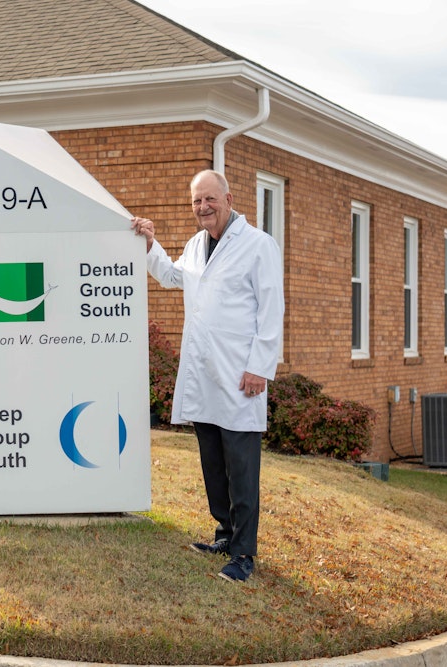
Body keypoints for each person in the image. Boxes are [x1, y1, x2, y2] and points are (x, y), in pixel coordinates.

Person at [132, 169, 284, 582]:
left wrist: (259, 367)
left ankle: (243, 554)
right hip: (203, 372)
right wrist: (149, 245)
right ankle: (224, 532)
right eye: (197, 201)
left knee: (241, 466)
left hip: (239, 375)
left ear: (229, 199)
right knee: (213, 462)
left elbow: (272, 310)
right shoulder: (197, 245)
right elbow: (171, 277)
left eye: (210, 199)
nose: (203, 207)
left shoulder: (258, 246)